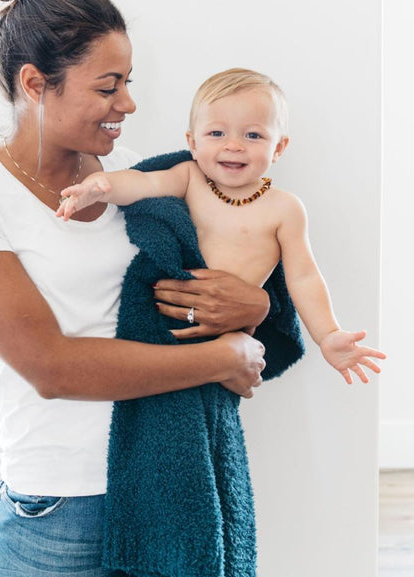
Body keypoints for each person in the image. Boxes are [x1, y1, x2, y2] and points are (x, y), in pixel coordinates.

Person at [0, 3, 282, 577]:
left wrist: (254, 311)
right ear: (34, 84)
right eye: (108, 87)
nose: (128, 105)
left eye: (128, 83)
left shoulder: (143, 189)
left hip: (165, 486)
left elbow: (229, 290)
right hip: (57, 507)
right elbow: (50, 366)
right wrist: (222, 359)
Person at [57, 67, 386, 385]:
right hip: (167, 324)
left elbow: (304, 276)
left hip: (230, 337)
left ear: (280, 147)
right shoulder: (190, 178)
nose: (234, 145)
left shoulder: (284, 208)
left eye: (253, 135)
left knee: (221, 397)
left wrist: (328, 334)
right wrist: (100, 185)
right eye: (217, 133)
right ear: (194, 143)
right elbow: (144, 183)